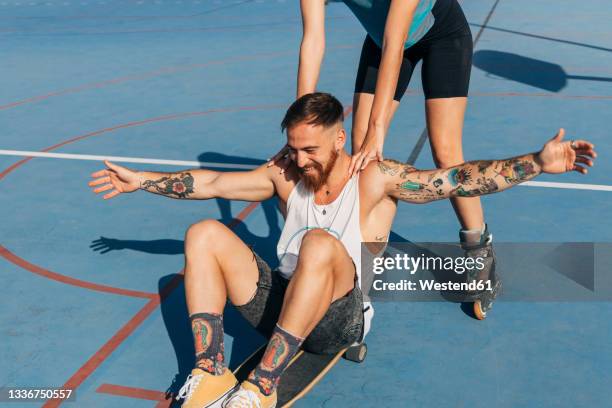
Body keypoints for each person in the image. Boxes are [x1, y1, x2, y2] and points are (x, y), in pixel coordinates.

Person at [88, 93, 595, 408]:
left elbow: (455, 179)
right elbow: (213, 182)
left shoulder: (375, 179)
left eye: (310, 149)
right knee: (203, 232)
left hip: (340, 316)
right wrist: (143, 182)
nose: (298, 158)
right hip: (283, 303)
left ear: (339, 139)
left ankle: (262, 388)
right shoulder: (285, 174)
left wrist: (535, 161)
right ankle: (208, 370)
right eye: (292, 146)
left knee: (319, 242)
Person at [275, 0, 496, 312]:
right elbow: (313, 40)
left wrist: (378, 128)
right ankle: (357, 261)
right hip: (384, 40)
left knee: (445, 150)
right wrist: (300, 128)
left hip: (440, 34)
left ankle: (479, 248)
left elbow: (396, 44)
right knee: (359, 148)